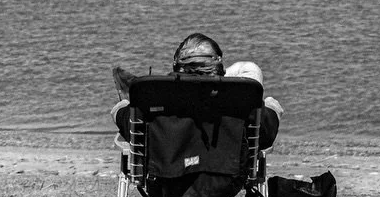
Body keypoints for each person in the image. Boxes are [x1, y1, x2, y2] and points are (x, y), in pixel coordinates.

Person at [110, 32, 284, 150]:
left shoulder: (156, 98)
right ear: (219, 68)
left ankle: (191, 75)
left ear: (177, 67)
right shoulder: (236, 99)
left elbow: (131, 127)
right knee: (250, 69)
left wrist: (121, 107)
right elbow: (264, 137)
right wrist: (272, 108)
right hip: (228, 178)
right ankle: (211, 77)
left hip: (166, 176)